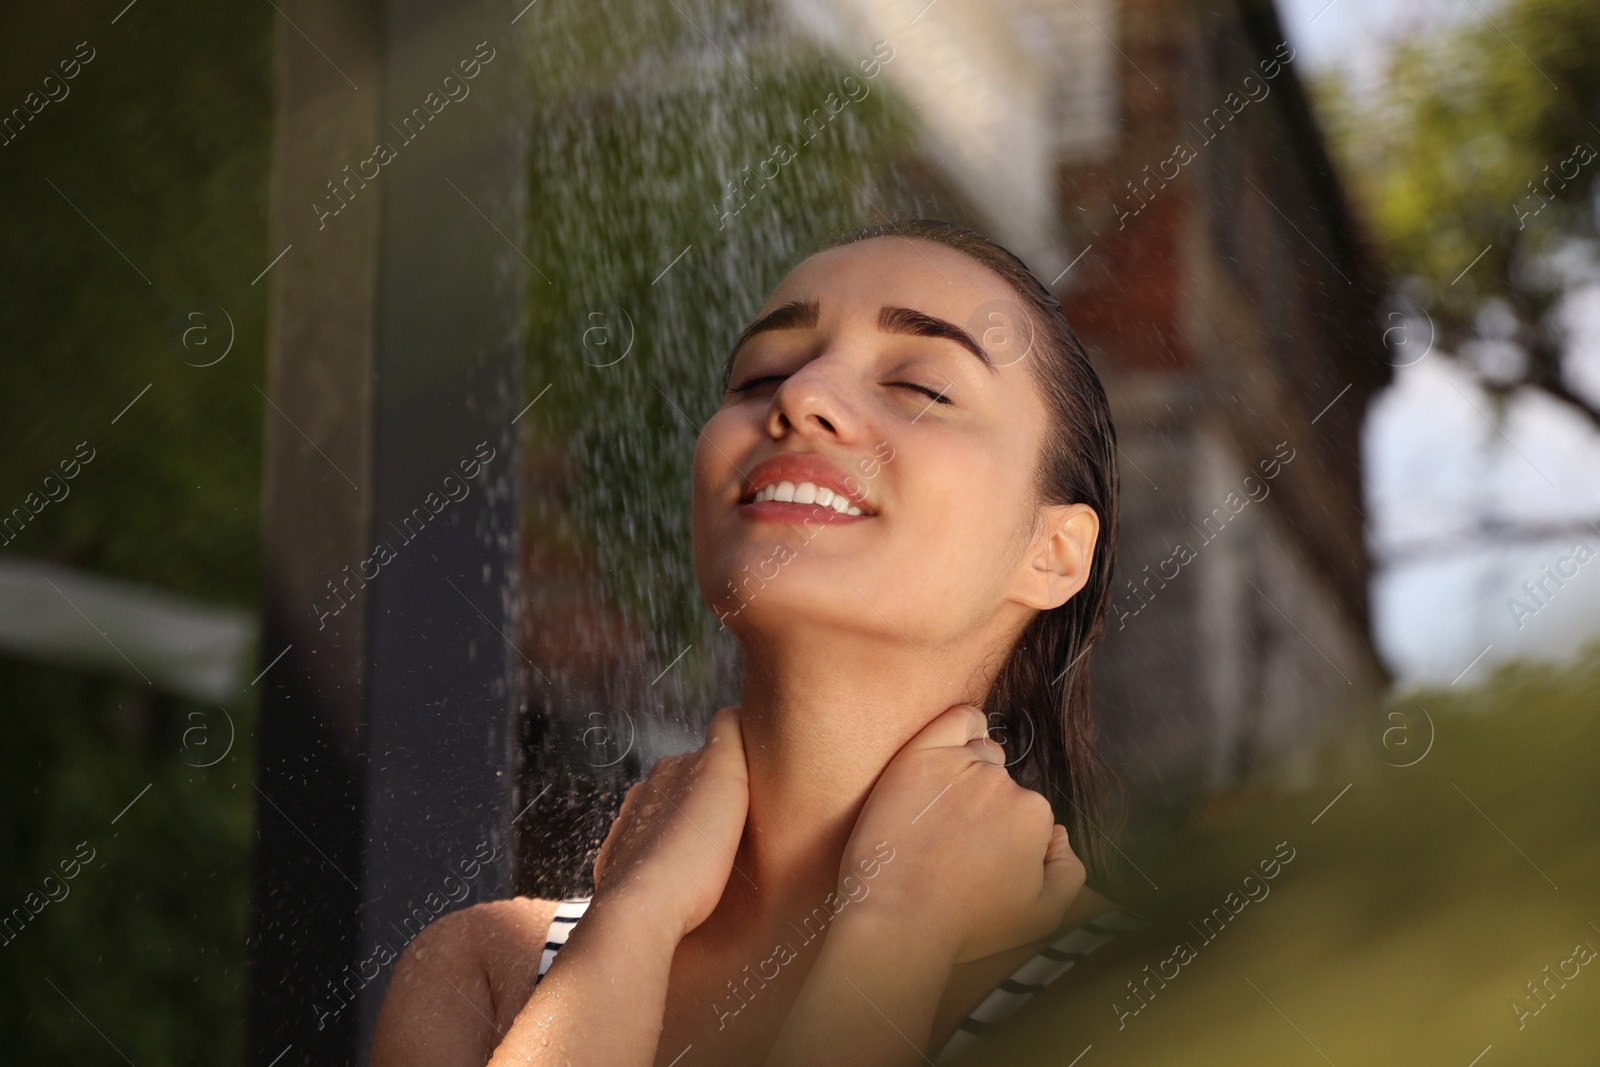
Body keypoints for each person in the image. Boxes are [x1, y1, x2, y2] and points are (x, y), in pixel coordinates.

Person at [369, 219, 1142, 1067]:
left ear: (1054, 551)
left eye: (921, 385)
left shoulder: (1144, 1003)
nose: (800, 396)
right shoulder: (485, 972)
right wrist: (642, 913)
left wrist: (890, 928)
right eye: (760, 375)